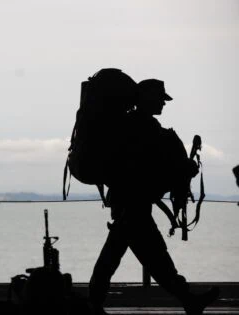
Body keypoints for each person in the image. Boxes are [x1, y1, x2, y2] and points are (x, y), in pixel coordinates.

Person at [88, 79, 219, 315]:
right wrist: (183, 169)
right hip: (132, 204)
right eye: (160, 98)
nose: (163, 103)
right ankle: (188, 300)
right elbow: (149, 168)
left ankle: (188, 299)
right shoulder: (142, 127)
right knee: (149, 258)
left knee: (140, 258)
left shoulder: (134, 125)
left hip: (129, 203)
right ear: (147, 98)